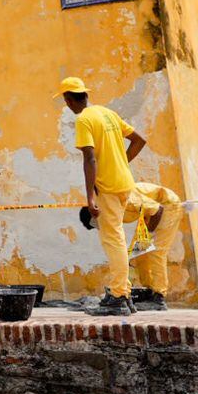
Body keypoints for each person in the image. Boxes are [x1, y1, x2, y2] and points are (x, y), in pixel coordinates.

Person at [58, 76, 147, 316]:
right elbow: (139, 140)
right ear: (85, 94)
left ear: (68, 99)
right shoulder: (107, 113)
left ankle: (118, 296)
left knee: (113, 239)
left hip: (107, 188)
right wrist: (121, 164)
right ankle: (124, 294)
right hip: (124, 183)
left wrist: (90, 198)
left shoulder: (84, 120)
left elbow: (89, 158)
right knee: (115, 236)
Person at [79, 179, 182, 311]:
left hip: (168, 207)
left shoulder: (125, 200)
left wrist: (149, 236)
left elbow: (158, 210)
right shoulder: (110, 209)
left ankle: (159, 297)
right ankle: (150, 291)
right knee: (138, 253)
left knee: (156, 252)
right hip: (149, 215)